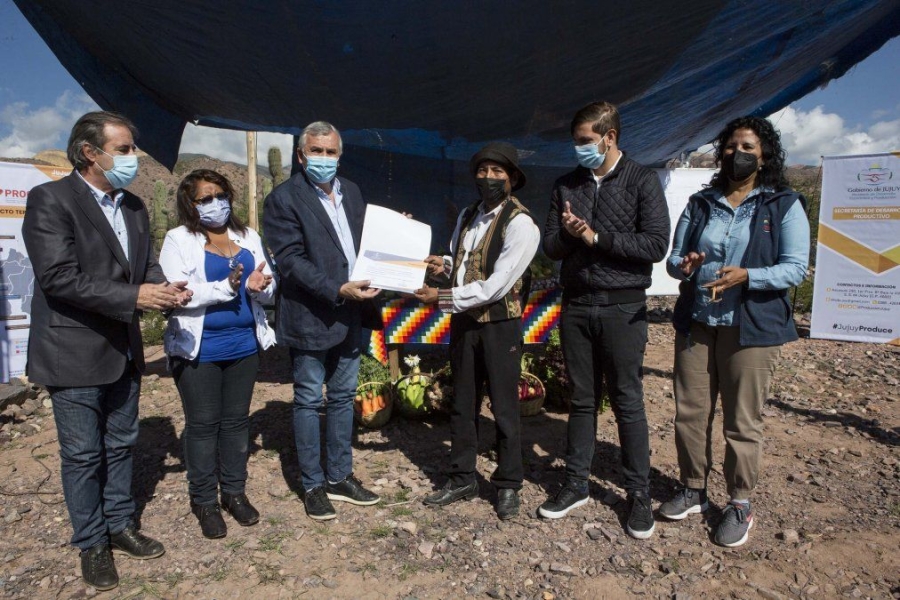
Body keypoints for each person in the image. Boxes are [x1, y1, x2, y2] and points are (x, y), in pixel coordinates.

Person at [22, 111, 191, 591]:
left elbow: (145, 265)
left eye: (133, 148)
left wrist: (167, 288)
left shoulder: (133, 206)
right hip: (72, 349)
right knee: (82, 454)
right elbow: (58, 277)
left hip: (123, 348)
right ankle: (92, 542)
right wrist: (135, 297)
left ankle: (119, 525)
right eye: (124, 149)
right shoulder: (51, 200)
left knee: (121, 444)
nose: (134, 157)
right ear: (89, 153)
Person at [660, 116, 809, 547]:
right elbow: (674, 260)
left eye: (747, 147)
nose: (736, 154)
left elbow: (795, 268)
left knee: (742, 420)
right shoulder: (701, 202)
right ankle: (693, 488)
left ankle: (740, 502)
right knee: (690, 412)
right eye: (729, 146)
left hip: (751, 327)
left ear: (764, 157)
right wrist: (684, 266)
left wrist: (749, 276)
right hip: (698, 321)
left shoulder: (783, 204)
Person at [539, 101, 670, 539]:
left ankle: (639, 493)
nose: (579, 149)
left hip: (622, 306)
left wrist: (597, 238)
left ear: (610, 137)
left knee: (627, 400)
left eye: (586, 141)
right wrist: (569, 235)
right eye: (576, 142)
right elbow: (550, 248)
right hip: (576, 303)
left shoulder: (641, 180)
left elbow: (656, 245)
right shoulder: (566, 185)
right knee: (581, 398)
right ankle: (576, 483)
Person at [263, 121, 382, 520]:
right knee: (310, 399)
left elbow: (364, 242)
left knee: (344, 397)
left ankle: (340, 476)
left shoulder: (353, 192)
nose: (324, 158)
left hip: (352, 312)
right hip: (311, 314)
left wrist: (392, 236)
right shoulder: (283, 199)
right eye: (317, 151)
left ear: (340, 155)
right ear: (301, 156)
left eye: (331, 152)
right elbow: (291, 261)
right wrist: (337, 289)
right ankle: (313, 484)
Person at [417, 142, 540, 520]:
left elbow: (496, 286)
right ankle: (462, 476)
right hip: (466, 322)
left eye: (497, 172)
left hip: (500, 324)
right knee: (463, 401)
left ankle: (508, 483)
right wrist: (443, 265)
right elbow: (464, 262)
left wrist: (443, 297)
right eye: (483, 171)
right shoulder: (469, 215)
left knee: (504, 407)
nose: (488, 178)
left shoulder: (521, 224)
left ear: (513, 178)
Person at [159, 169, 276, 538]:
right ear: (190, 204)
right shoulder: (178, 240)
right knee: (203, 424)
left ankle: (235, 493)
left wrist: (259, 287)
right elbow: (180, 293)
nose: (216, 203)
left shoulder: (248, 236)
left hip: (244, 345)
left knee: (236, 422)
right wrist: (226, 286)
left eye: (221, 195)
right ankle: (204, 500)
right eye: (205, 198)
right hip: (199, 348)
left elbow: (269, 288)